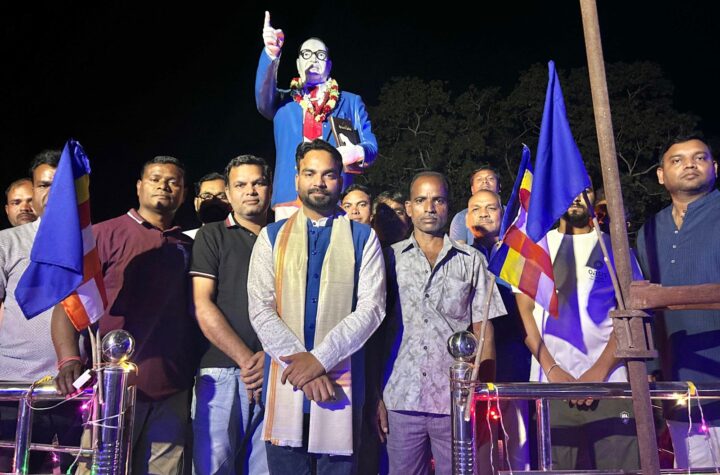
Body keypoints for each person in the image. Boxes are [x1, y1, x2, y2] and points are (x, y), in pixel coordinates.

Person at [53, 156, 202, 474]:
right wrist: (68, 359)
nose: (163, 185)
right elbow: (69, 304)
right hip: (111, 388)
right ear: (139, 187)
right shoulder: (104, 234)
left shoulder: (188, 246)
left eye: (173, 181)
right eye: (155, 179)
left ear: (184, 193)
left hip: (172, 389)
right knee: (101, 469)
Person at [248, 139, 385, 474]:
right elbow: (260, 308)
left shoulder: (363, 238)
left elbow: (372, 309)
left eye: (329, 175)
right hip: (287, 382)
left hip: (342, 387)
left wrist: (320, 360)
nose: (319, 182)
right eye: (310, 173)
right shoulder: (271, 236)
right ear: (297, 179)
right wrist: (304, 368)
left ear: (341, 180)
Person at [378, 172, 505, 475]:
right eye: (421, 200)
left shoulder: (471, 260)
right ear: (409, 208)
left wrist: (483, 398)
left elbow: (484, 333)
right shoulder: (389, 259)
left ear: (448, 206)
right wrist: (374, 397)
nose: (430, 207)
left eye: (438, 200)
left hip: (455, 402)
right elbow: (376, 334)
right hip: (400, 399)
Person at [515, 186, 640, 471]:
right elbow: (525, 314)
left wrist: (599, 372)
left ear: (594, 197)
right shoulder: (535, 247)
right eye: (567, 188)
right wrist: (553, 370)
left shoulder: (615, 248)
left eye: (584, 189)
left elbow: (630, 316)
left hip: (611, 384)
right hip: (552, 387)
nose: (575, 196)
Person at [636, 135, 720, 469]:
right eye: (677, 160)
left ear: (715, 168)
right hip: (679, 383)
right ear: (661, 175)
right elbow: (646, 307)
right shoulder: (650, 230)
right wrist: (651, 367)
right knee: (692, 468)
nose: (689, 164)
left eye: (700, 158)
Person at [0, 150, 83, 473]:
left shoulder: (90, 243)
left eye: (60, 184)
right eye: (43, 185)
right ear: (33, 191)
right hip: (13, 388)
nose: (51, 193)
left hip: (74, 391)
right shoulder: (7, 242)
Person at [190, 156, 271, 475]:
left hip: (275, 372)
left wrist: (269, 359)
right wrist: (248, 361)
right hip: (221, 372)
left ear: (269, 187)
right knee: (214, 468)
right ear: (228, 192)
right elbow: (202, 304)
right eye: (241, 185)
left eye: (258, 183)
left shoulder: (284, 236)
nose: (250, 191)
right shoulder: (212, 235)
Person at [256, 11, 378, 219]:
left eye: (320, 55)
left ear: (329, 65)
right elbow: (262, 96)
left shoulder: (350, 102)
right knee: (290, 241)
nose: (313, 59)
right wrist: (271, 53)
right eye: (307, 54)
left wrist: (355, 152)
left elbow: (371, 147)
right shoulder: (282, 102)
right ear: (298, 64)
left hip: (336, 195)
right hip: (290, 196)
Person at [467, 190, 531, 471]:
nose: (483, 213)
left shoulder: (521, 253)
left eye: (491, 208)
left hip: (514, 362)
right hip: (476, 366)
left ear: (503, 214)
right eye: (476, 208)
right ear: (467, 218)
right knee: (481, 448)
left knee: (520, 446)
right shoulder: (460, 255)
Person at [449, 166, 501, 244]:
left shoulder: (514, 215)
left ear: (499, 187)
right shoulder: (461, 217)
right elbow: (458, 248)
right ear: (472, 189)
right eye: (479, 179)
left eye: (490, 178)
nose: (485, 182)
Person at [185, 172, 231, 239]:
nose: (214, 201)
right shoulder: (185, 241)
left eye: (222, 196)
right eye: (206, 196)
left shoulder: (243, 239)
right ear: (196, 203)